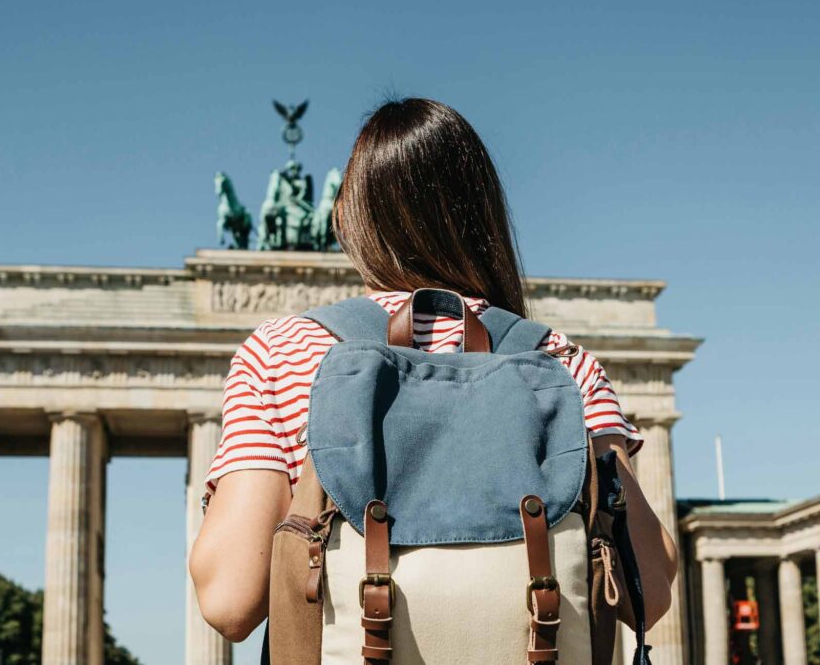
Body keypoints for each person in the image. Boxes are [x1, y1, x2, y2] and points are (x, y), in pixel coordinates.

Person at [189, 97, 678, 643]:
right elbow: (648, 590)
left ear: (348, 219)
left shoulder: (284, 350)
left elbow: (231, 600)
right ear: (483, 216)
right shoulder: (562, 363)